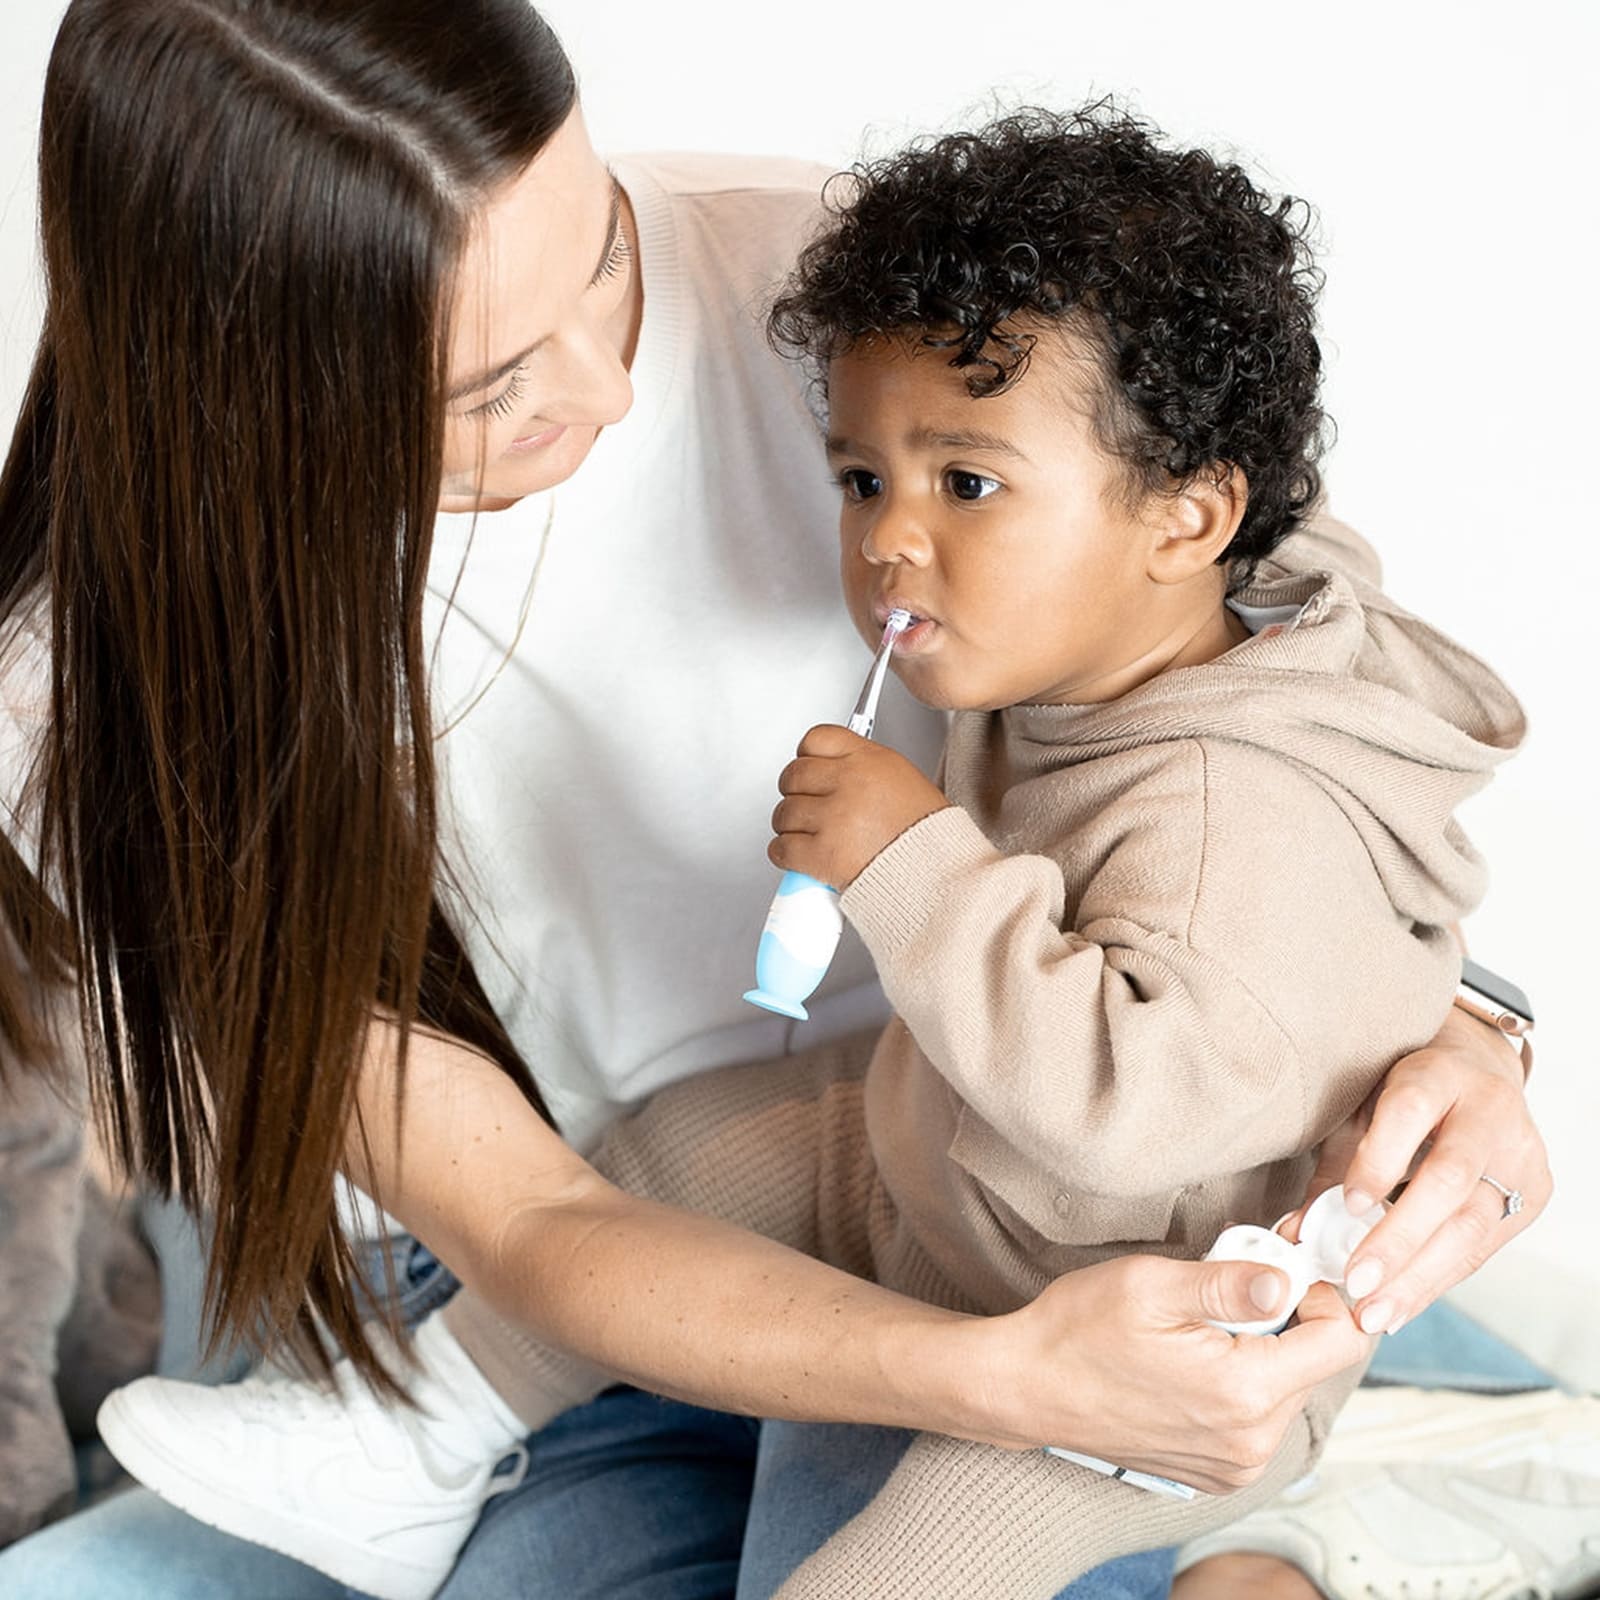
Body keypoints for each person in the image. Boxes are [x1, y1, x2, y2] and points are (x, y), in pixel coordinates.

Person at [0, 5, 1549, 1599]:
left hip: (1023, 1202)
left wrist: (1461, 1030)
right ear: (247, 387)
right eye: (490, 384)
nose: (606, 387)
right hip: (570, 1257)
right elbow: (535, 1225)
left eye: (603, 254)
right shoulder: (82, 698)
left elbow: (1262, 656)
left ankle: (1327, 1525)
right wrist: (1001, 1376)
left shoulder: (883, 298)